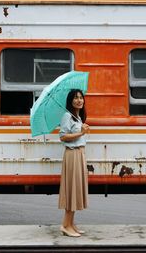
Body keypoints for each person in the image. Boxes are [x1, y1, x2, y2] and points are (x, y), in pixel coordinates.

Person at [58, 89, 90, 237]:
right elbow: (63, 137)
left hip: (79, 154)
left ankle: (71, 224)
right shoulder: (67, 116)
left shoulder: (77, 117)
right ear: (70, 100)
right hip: (72, 155)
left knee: (76, 189)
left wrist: (82, 130)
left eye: (81, 98)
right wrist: (81, 133)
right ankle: (65, 225)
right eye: (76, 98)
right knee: (71, 189)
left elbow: (77, 136)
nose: (79, 100)